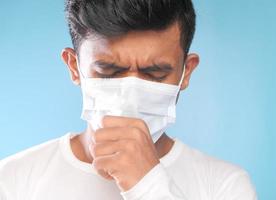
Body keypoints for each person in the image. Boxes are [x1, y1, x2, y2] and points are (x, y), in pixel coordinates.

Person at [0, 0, 257, 199]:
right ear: (74, 67)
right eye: (109, 72)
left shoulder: (224, 186)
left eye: (155, 73)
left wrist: (148, 184)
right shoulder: (12, 181)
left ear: (185, 72)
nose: (131, 91)